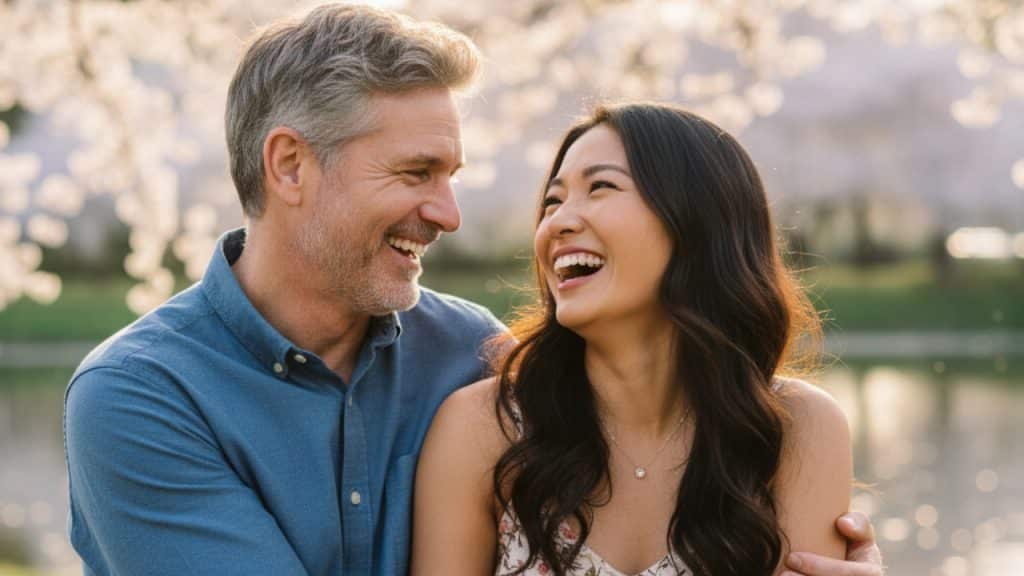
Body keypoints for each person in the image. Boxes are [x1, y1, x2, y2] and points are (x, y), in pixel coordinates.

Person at [63, 4, 883, 576]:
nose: (449, 215)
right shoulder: (139, 397)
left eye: (452, 175)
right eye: (417, 173)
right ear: (289, 166)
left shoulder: (478, 359)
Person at [411, 103, 870, 576]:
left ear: (697, 220)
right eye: (553, 201)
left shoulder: (796, 429)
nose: (559, 222)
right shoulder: (485, 428)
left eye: (601, 187)